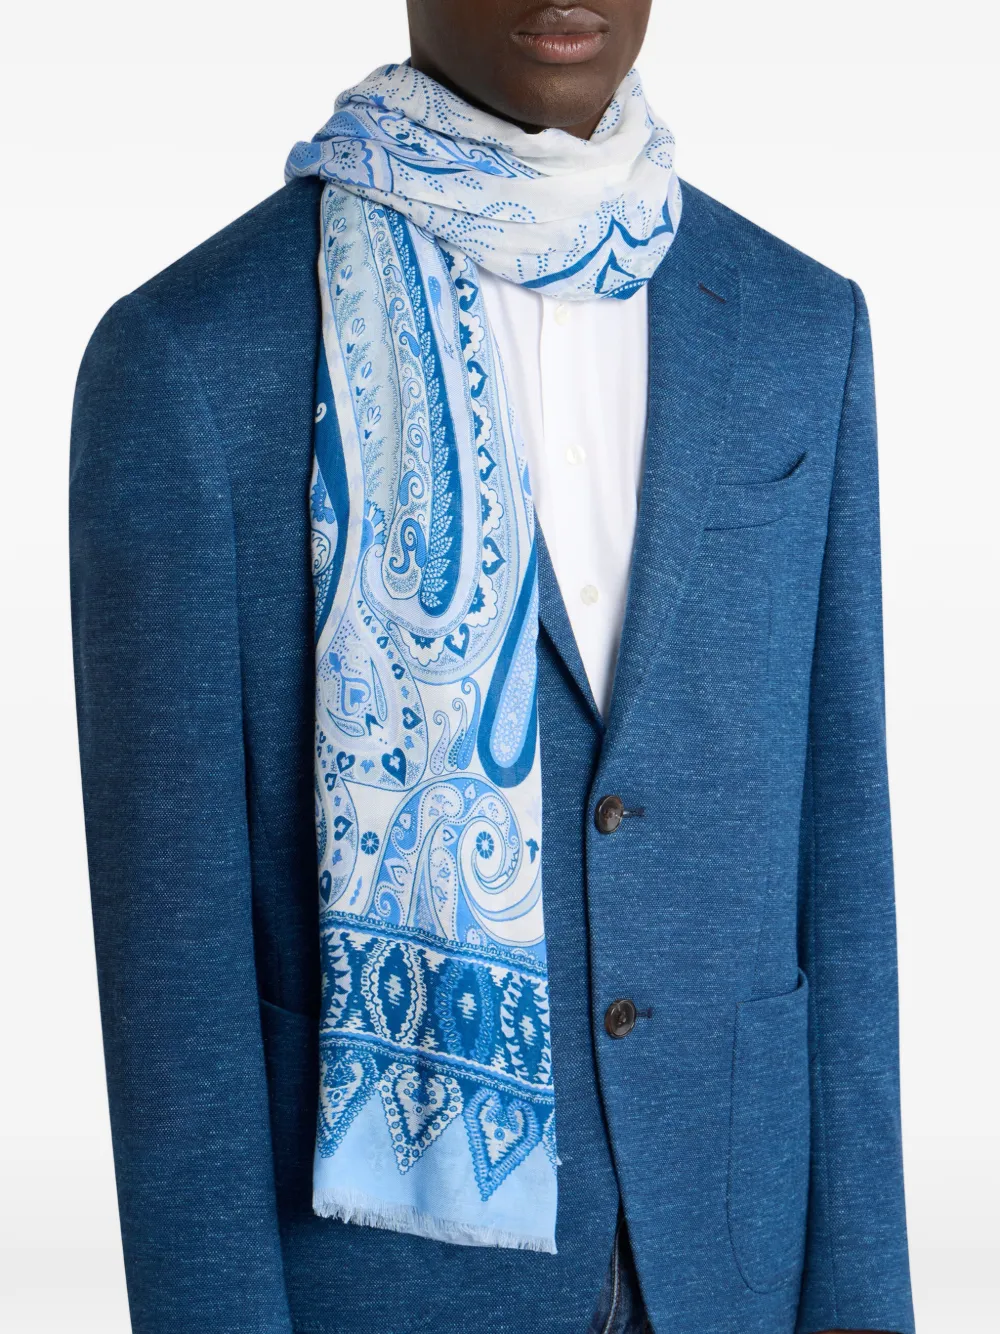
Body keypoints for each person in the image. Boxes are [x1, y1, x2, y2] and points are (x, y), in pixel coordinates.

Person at [69, 3, 915, 1332]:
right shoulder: (191, 362)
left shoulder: (800, 329)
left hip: (733, 1263)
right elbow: (175, 988)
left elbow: (842, 867)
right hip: (384, 1293)